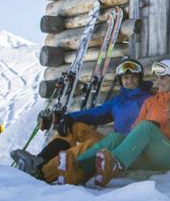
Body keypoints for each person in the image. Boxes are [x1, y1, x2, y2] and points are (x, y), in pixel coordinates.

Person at [58, 59, 170, 187]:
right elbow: (136, 128)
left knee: (146, 126)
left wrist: (161, 130)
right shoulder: (151, 102)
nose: (158, 82)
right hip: (149, 156)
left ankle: (114, 164)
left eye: (162, 77)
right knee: (115, 137)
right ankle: (77, 168)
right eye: (157, 78)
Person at [11, 59, 152, 180]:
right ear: (121, 80)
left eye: (133, 77)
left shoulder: (147, 99)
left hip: (126, 150)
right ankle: (40, 160)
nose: (130, 81)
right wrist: (70, 117)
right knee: (75, 127)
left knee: (90, 146)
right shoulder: (118, 101)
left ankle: (44, 173)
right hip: (113, 143)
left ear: (140, 78)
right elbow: (98, 113)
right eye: (126, 78)